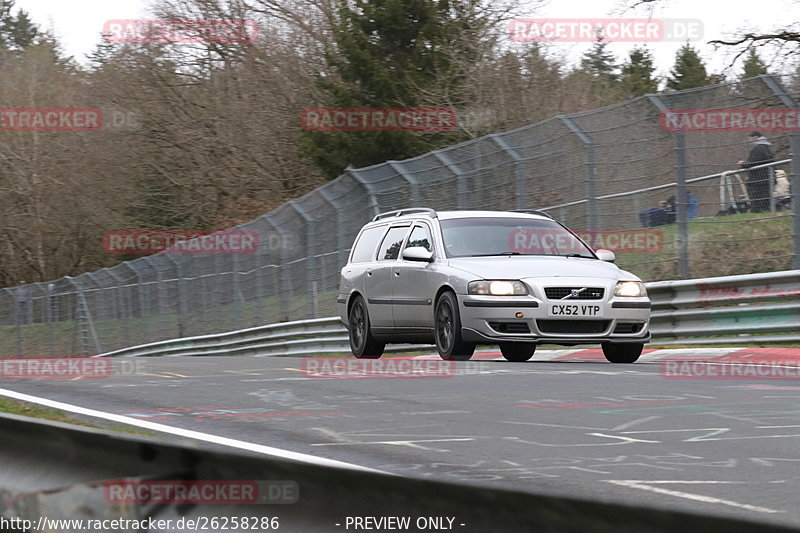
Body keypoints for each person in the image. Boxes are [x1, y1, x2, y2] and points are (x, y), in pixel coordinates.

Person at [738, 131, 775, 213]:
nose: (749, 141)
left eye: (750, 139)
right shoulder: (766, 147)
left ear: (755, 138)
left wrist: (743, 164)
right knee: (765, 203)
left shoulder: (759, 148)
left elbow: (754, 162)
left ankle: (758, 214)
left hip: (759, 182)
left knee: (758, 203)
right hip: (766, 180)